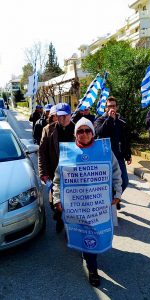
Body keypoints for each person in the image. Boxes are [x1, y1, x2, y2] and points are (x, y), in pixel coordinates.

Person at [52, 117, 122, 287]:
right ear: (76, 134)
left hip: (98, 205)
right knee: (85, 233)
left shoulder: (104, 150)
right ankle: (92, 268)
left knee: (95, 231)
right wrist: (57, 198)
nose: (84, 134)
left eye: (87, 130)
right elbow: (58, 179)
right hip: (77, 205)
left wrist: (117, 193)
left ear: (93, 132)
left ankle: (90, 257)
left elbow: (115, 172)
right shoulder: (68, 152)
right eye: (80, 131)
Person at [38, 102, 75, 232]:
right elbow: (41, 152)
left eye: (65, 115)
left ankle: (68, 226)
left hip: (73, 173)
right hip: (55, 173)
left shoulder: (78, 129)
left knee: (71, 202)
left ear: (70, 115)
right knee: (54, 202)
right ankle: (59, 217)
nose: (62, 118)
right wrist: (43, 172)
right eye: (59, 116)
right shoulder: (48, 130)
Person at [95, 96, 132, 198]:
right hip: (105, 156)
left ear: (117, 107)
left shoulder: (121, 121)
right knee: (107, 181)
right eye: (109, 106)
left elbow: (125, 139)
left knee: (124, 181)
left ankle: (115, 197)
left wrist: (128, 154)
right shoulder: (100, 120)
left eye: (114, 106)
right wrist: (110, 119)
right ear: (106, 108)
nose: (112, 108)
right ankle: (111, 200)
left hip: (118, 156)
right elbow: (100, 132)